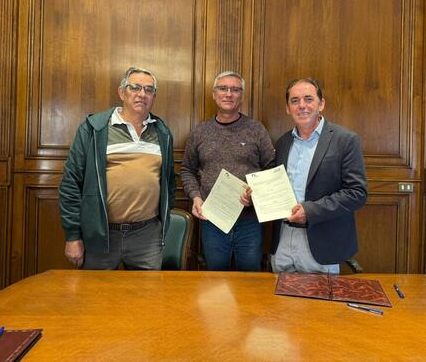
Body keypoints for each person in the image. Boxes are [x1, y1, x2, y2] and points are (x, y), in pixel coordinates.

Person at [59, 67, 175, 270]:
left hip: (146, 237)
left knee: (148, 291)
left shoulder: (162, 132)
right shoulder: (94, 128)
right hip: (101, 235)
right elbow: (70, 184)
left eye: (149, 90)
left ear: (153, 97)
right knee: (96, 290)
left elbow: (169, 182)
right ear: (122, 92)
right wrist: (73, 236)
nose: (142, 94)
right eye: (135, 87)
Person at [270, 78, 367, 273]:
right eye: (295, 101)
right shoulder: (282, 143)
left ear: (321, 104)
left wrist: (309, 211)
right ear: (288, 108)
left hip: (322, 243)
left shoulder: (345, 140)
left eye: (308, 99)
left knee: (321, 295)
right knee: (279, 294)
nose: (302, 106)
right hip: (283, 242)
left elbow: (357, 193)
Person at [181, 71, 275, 271]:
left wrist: (255, 195)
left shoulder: (256, 129)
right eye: (223, 88)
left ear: (242, 95)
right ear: (214, 94)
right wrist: (196, 197)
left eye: (235, 89)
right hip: (213, 219)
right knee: (215, 278)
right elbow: (187, 169)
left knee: (250, 278)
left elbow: (271, 170)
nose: (229, 94)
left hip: (250, 221)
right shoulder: (200, 132)